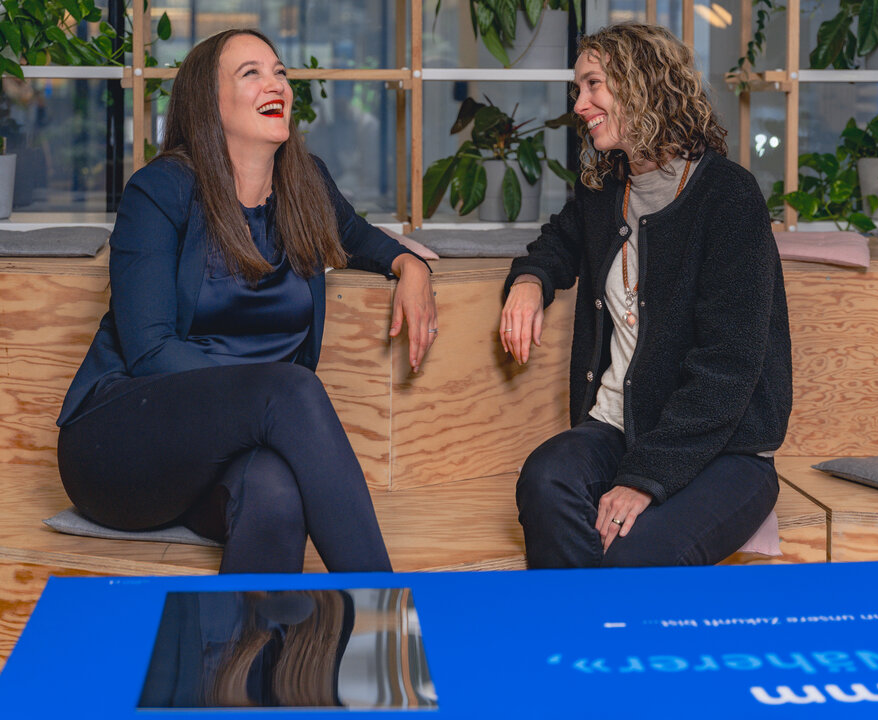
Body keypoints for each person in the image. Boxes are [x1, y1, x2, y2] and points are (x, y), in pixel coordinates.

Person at [56, 29, 438, 574]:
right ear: (208, 101)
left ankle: (249, 634)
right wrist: (260, 396)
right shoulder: (160, 189)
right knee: (290, 388)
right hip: (123, 446)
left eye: (279, 71)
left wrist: (410, 266)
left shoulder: (306, 184)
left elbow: (357, 236)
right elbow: (148, 351)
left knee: (276, 495)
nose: (275, 83)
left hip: (227, 456)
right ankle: (385, 614)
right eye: (251, 73)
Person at [500, 23, 792, 568]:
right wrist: (529, 282)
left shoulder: (728, 196)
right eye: (578, 90)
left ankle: (590, 620)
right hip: (617, 427)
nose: (579, 105)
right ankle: (580, 623)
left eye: (593, 85)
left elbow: (728, 366)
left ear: (642, 84)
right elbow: (558, 243)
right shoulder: (604, 190)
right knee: (545, 478)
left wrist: (644, 478)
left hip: (726, 450)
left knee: (633, 557)